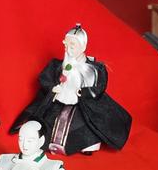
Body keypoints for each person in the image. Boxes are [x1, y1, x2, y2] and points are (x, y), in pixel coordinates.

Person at [13, 24, 131, 155]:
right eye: (66, 46)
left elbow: (99, 88)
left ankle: (87, 145)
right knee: (48, 122)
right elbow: (45, 79)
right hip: (59, 102)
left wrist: (84, 92)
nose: (68, 50)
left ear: (83, 47)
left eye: (72, 46)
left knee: (86, 126)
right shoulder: (57, 65)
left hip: (82, 105)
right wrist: (53, 88)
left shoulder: (94, 69)